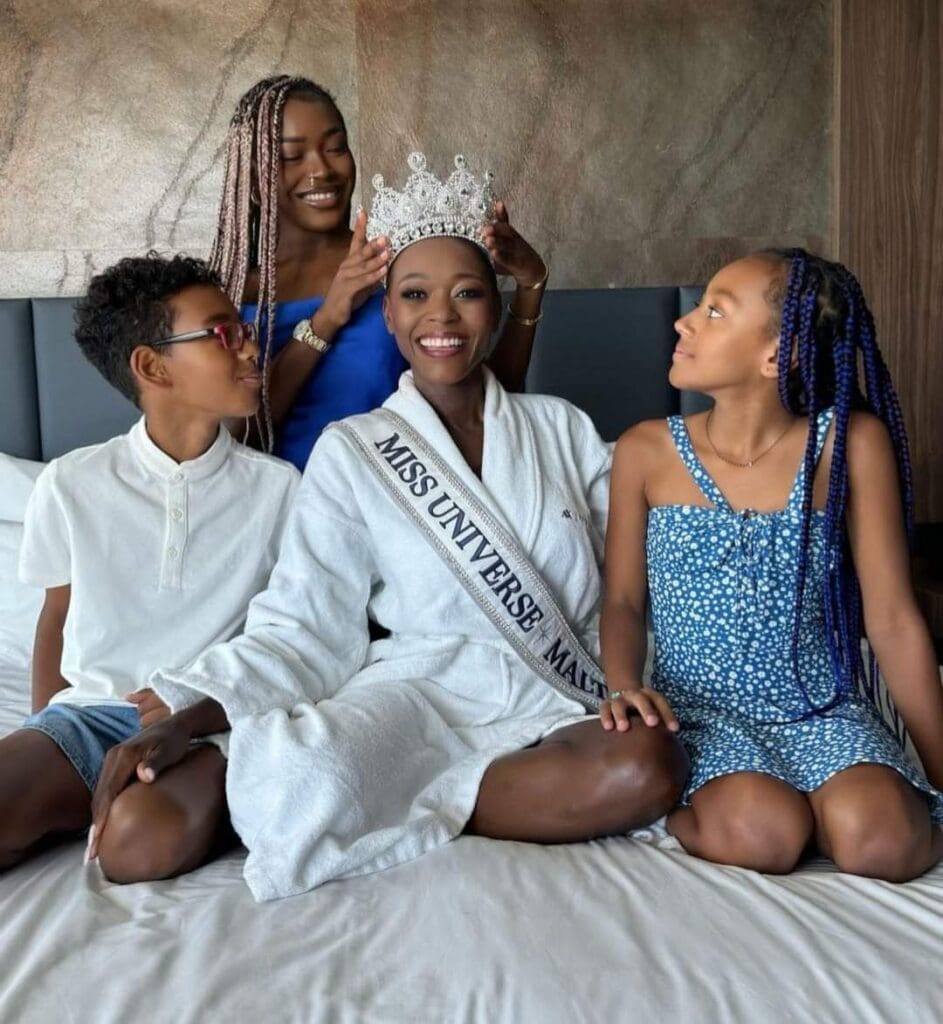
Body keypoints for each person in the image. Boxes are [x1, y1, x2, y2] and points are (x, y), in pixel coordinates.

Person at [89, 154, 687, 900]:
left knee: (646, 765)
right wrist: (187, 714)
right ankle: (439, 792)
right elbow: (305, 623)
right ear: (391, 315)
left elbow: (640, 571)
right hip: (422, 700)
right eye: (414, 294)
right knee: (303, 770)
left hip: (555, 699)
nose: (442, 316)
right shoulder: (354, 448)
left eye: (467, 293)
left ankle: (408, 799)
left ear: (495, 307)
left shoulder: (559, 428)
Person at [600, 248, 943, 881]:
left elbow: (893, 620)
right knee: (764, 836)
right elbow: (622, 601)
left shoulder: (848, 447)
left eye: (714, 311)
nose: (684, 322)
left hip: (821, 707)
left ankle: (837, 808)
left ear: (777, 355)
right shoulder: (646, 450)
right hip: (703, 714)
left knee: (885, 844)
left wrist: (942, 772)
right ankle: (690, 813)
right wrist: (624, 686)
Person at [1, 254, 299, 882]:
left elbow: (293, 634)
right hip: (87, 716)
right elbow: (57, 615)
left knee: (137, 846)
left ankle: (121, 809)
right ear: (153, 366)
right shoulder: (71, 482)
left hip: (202, 722)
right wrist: (43, 732)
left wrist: (201, 714)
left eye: (243, 329)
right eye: (224, 334)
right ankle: (68, 800)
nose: (251, 347)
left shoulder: (280, 491)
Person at [210, 74, 549, 469]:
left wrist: (530, 285)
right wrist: (327, 318)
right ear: (253, 181)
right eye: (292, 156)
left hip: (391, 497)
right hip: (273, 502)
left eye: (336, 148)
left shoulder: (397, 263)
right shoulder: (228, 294)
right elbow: (231, 439)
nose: (322, 169)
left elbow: (486, 407)